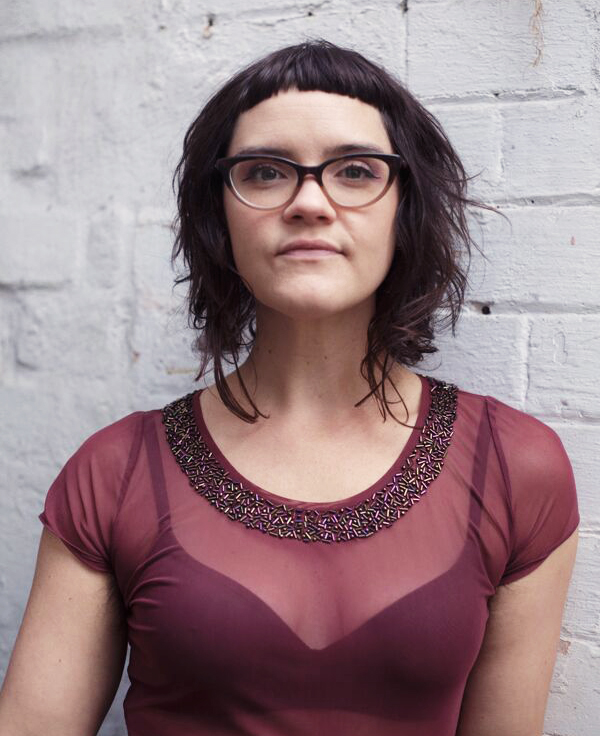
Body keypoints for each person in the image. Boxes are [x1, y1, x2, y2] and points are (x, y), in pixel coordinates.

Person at [0, 41, 579, 736]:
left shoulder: (515, 467)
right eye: (266, 172)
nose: (310, 202)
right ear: (220, 218)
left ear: (406, 210)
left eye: (357, 171)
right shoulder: (114, 473)